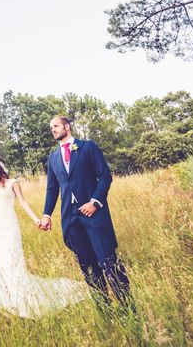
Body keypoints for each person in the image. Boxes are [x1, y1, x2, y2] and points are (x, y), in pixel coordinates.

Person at [39, 116, 133, 311]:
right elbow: (52, 189)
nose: (53, 130)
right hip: (71, 221)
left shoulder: (88, 147)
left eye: (55, 126)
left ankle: (128, 308)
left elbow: (105, 176)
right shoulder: (53, 158)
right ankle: (105, 310)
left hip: (94, 215)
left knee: (108, 262)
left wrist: (95, 202)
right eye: (51, 128)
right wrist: (47, 214)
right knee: (88, 268)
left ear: (67, 126)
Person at [0, 157, 87, 318]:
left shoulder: (12, 183)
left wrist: (36, 219)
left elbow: (22, 202)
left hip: (9, 227)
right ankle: (8, 303)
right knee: (0, 264)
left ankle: (23, 301)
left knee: (13, 261)